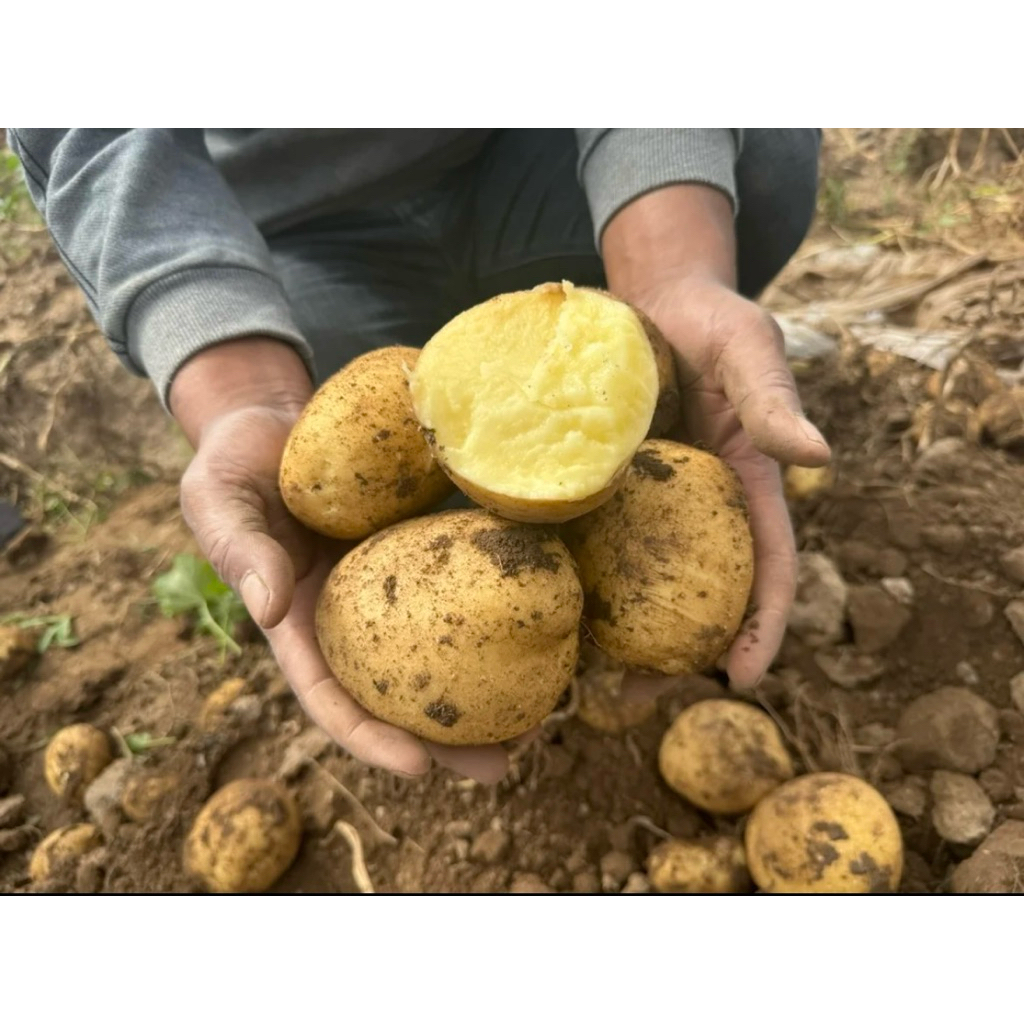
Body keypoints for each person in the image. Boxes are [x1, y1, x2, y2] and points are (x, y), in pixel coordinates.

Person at [7, 128, 831, 784]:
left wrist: (669, 273)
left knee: (768, 142)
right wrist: (239, 391)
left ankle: (622, 287)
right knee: (351, 416)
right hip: (290, 230)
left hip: (528, 148)